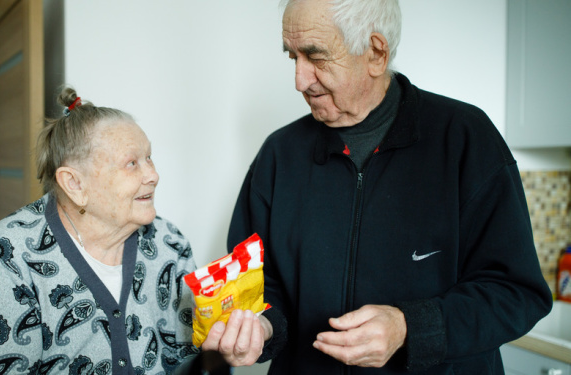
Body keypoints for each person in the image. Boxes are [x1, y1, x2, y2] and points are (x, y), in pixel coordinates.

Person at [212, 0, 554, 373]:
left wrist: (410, 327)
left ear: (375, 53)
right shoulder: (279, 155)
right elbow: (256, 285)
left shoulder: (466, 139)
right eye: (292, 57)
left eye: (315, 56)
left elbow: (516, 293)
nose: (299, 80)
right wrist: (261, 326)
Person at [0, 87, 203, 374]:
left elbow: (190, 351)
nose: (153, 175)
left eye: (149, 158)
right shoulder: (9, 255)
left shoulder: (168, 242)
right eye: (132, 163)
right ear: (75, 184)